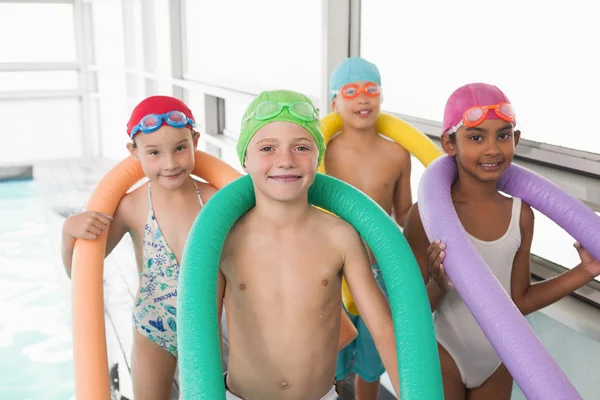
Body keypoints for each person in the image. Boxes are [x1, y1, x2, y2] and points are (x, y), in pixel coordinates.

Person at [403, 82, 600, 400]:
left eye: (503, 135)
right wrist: (440, 284)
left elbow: (518, 301)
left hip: (499, 357)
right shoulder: (425, 215)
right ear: (449, 144)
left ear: (516, 139)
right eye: (476, 137)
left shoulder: (521, 215)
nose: (492, 148)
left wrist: (585, 271)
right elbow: (409, 314)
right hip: (444, 352)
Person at [218, 89, 401, 400]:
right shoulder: (224, 239)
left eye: (301, 147)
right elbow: (200, 335)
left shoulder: (340, 236)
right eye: (267, 148)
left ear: (318, 156)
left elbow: (383, 329)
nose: (286, 161)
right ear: (245, 158)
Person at [61, 96, 217, 399]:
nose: (169, 163)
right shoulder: (132, 207)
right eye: (154, 153)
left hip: (209, 324)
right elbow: (79, 274)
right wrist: (69, 233)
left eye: (180, 148)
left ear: (195, 140)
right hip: (153, 327)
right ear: (134, 152)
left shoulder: (215, 200)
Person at [325, 56, 413, 399]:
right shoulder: (323, 152)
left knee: (372, 364)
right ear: (334, 102)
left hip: (379, 271)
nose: (362, 98)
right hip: (333, 272)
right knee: (327, 361)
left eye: (370, 90)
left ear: (380, 96)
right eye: (350, 91)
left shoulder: (397, 154)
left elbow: (404, 213)